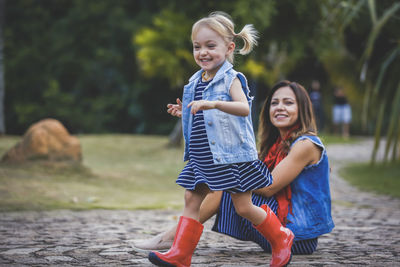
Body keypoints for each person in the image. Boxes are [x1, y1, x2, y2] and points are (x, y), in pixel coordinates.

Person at [146, 12, 294, 267]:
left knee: (243, 207)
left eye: (210, 46)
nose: (203, 52)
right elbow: (202, 114)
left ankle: (281, 237)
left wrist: (214, 103)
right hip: (204, 155)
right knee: (191, 199)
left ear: (229, 48)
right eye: (197, 46)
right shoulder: (196, 80)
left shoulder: (231, 78)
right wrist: (186, 112)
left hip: (231, 156)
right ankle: (181, 255)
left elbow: (243, 108)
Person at [133, 80, 334, 259]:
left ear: (303, 109)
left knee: (223, 184)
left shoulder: (306, 144)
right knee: (224, 179)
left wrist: (226, 174)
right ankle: (174, 240)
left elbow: (268, 187)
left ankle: (171, 238)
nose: (279, 108)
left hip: (299, 235)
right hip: (280, 225)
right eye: (274, 103)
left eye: (288, 103)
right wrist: (192, 115)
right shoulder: (275, 145)